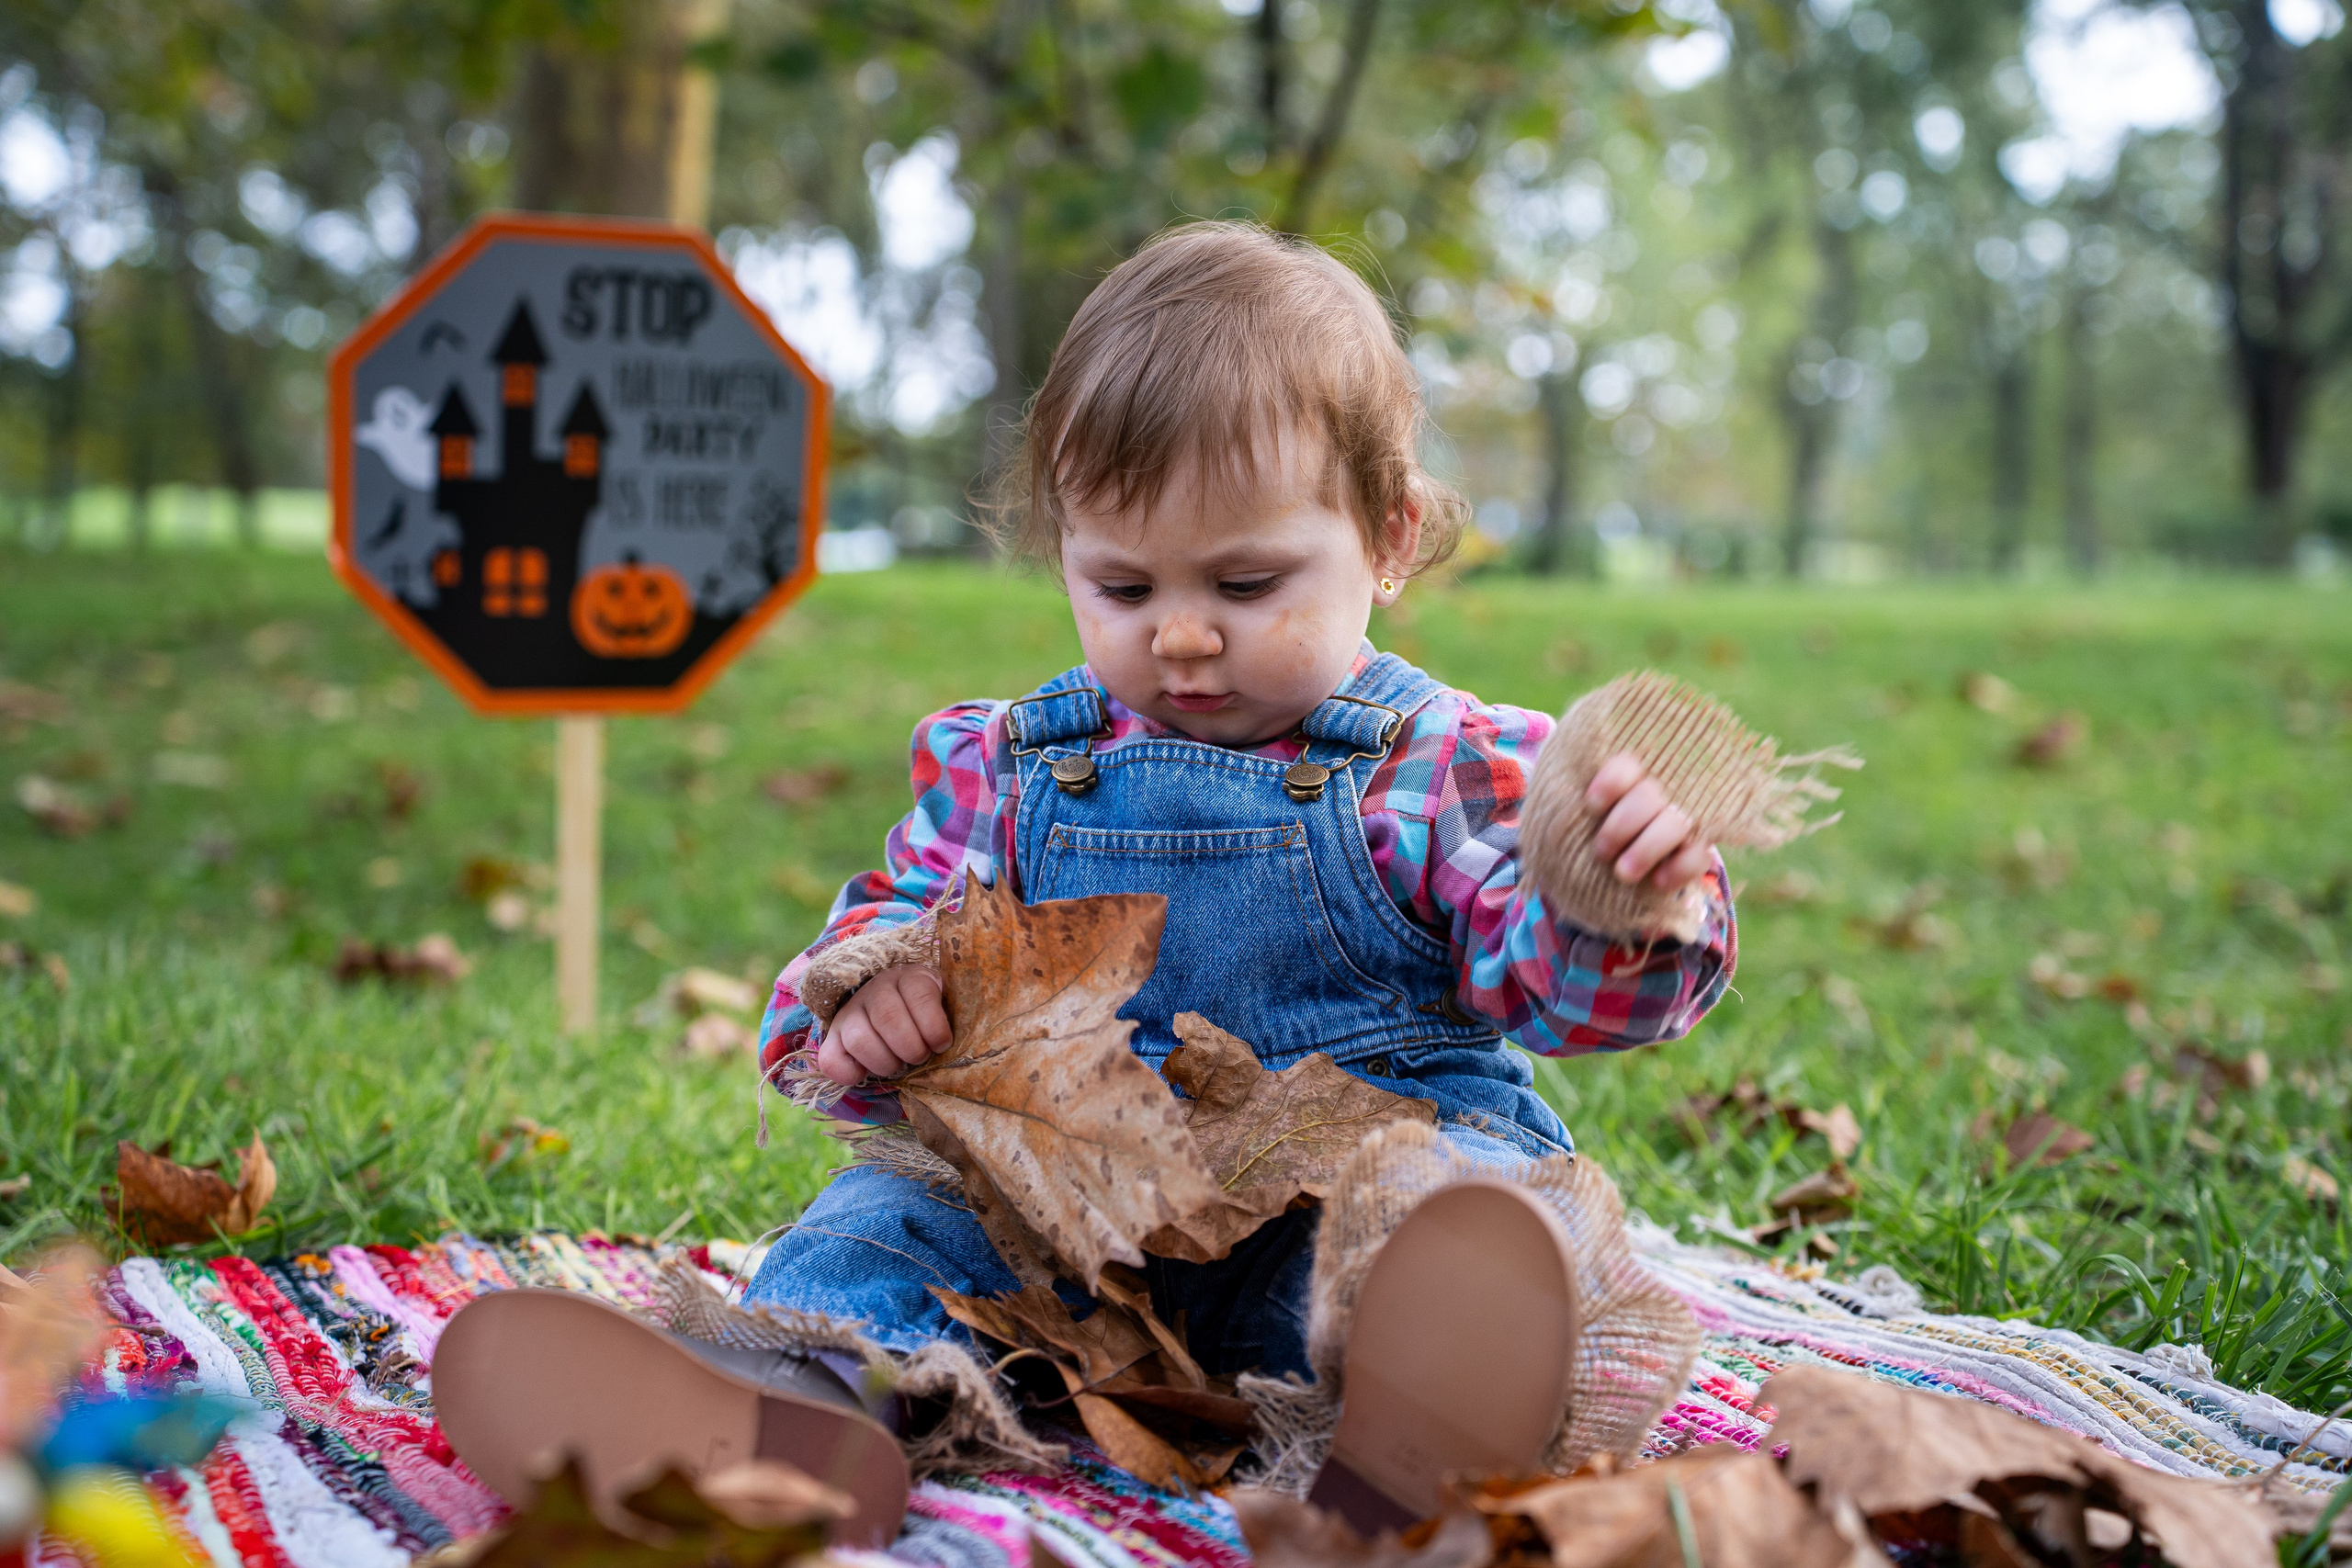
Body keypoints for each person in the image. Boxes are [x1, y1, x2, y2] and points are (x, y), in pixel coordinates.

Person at [435, 220, 1734, 1540]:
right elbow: (883, 933)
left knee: (1449, 1222)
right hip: (1068, 1217)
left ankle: (1418, 1429)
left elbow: (1559, 999)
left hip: (1341, 1204)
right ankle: (793, 1399)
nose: (1178, 632)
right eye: (1119, 583)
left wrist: (1611, 901)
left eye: (1246, 580)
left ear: (1389, 537)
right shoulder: (1019, 769)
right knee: (896, 1213)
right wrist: (874, 1002)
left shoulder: (1444, 767)